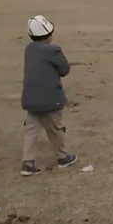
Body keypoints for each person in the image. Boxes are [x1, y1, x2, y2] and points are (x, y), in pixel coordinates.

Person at [20, 14, 77, 176]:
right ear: (49, 34)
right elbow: (65, 70)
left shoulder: (29, 49)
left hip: (31, 99)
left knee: (31, 130)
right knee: (55, 129)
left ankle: (28, 162)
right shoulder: (54, 50)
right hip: (50, 99)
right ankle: (63, 157)